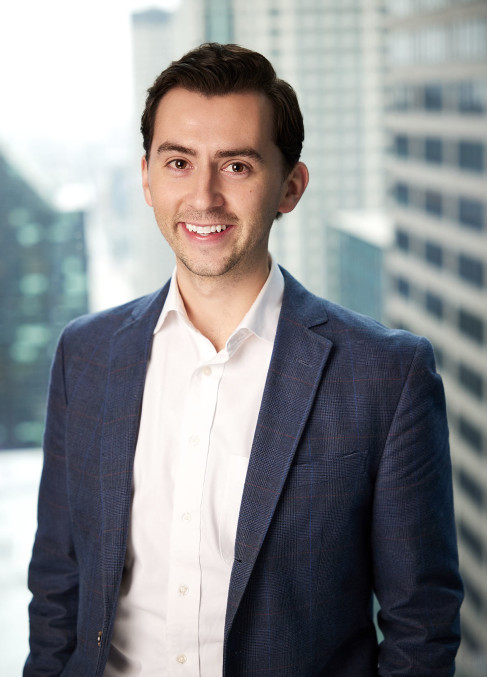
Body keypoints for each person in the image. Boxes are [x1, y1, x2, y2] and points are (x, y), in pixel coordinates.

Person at [25, 43, 463, 677]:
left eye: (236, 166)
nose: (204, 197)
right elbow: (57, 590)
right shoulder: (86, 355)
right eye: (179, 162)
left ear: (290, 187)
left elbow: (421, 626)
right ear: (146, 178)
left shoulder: (386, 376)